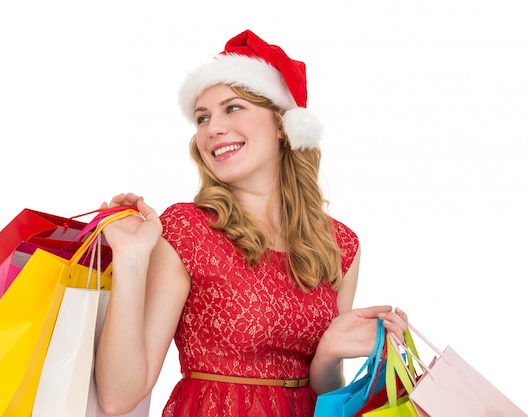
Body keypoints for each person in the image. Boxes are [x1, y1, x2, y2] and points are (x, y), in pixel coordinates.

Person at [95, 30, 408, 417]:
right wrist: (130, 258)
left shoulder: (340, 245)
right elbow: (118, 397)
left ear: (282, 125)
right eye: (202, 118)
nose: (212, 128)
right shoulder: (186, 230)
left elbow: (326, 394)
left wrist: (329, 351)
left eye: (233, 108)